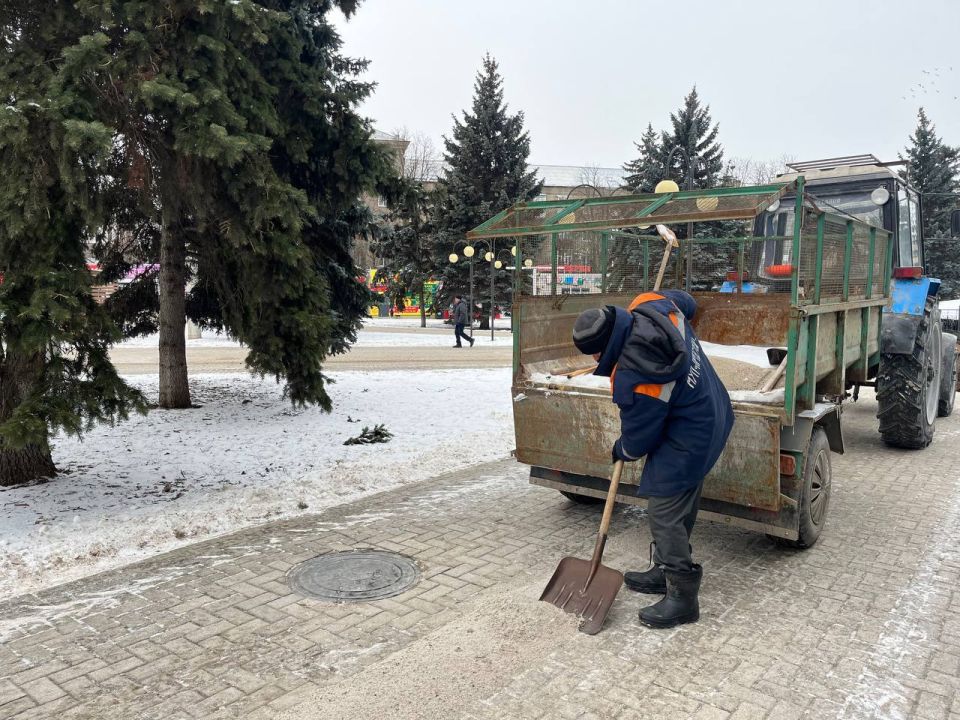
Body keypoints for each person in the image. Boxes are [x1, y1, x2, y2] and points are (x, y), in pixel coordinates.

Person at [572, 290, 733, 629]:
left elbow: (641, 436)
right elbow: (687, 302)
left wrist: (623, 449)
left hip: (692, 433)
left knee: (663, 508)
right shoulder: (652, 304)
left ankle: (683, 596)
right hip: (713, 406)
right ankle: (663, 570)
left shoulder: (635, 375)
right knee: (681, 497)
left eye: (598, 353)